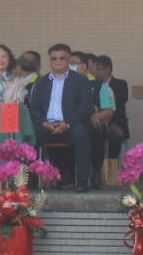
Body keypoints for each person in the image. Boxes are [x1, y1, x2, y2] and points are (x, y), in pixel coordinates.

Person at [27, 43, 97, 188]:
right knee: (27, 133)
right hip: (46, 126)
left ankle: (82, 181)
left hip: (72, 127)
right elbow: (33, 108)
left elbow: (86, 107)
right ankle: (25, 181)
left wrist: (68, 123)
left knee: (82, 133)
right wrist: (44, 123)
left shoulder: (80, 80)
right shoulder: (41, 82)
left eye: (62, 58)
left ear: (69, 59)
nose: (58, 61)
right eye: (54, 58)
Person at [91, 55, 130, 184]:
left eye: (98, 69)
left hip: (117, 123)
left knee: (114, 139)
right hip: (99, 123)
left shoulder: (120, 84)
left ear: (107, 70)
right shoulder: (91, 85)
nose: (94, 72)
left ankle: (112, 169)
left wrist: (112, 123)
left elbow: (118, 107)